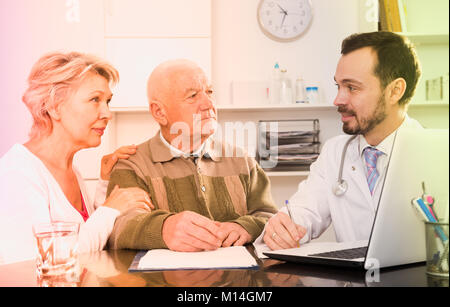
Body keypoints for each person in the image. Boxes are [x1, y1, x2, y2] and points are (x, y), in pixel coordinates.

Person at [261, 31, 423, 250]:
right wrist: (282, 227)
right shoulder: (335, 152)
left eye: (352, 88)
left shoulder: (437, 155)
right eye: (338, 86)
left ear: (395, 91)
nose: (338, 99)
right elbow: (303, 211)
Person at [106, 59, 278, 252]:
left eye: (209, 92)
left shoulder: (242, 160)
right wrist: (163, 228)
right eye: (193, 96)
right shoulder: (132, 165)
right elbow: (117, 228)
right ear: (159, 112)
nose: (208, 103)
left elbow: (269, 215)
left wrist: (246, 226)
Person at [0, 52, 153, 265]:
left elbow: (87, 239)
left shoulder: (71, 170)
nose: (107, 113)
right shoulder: (17, 173)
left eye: (107, 101)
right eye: (95, 99)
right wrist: (111, 209)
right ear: (54, 106)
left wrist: (104, 183)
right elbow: (37, 263)